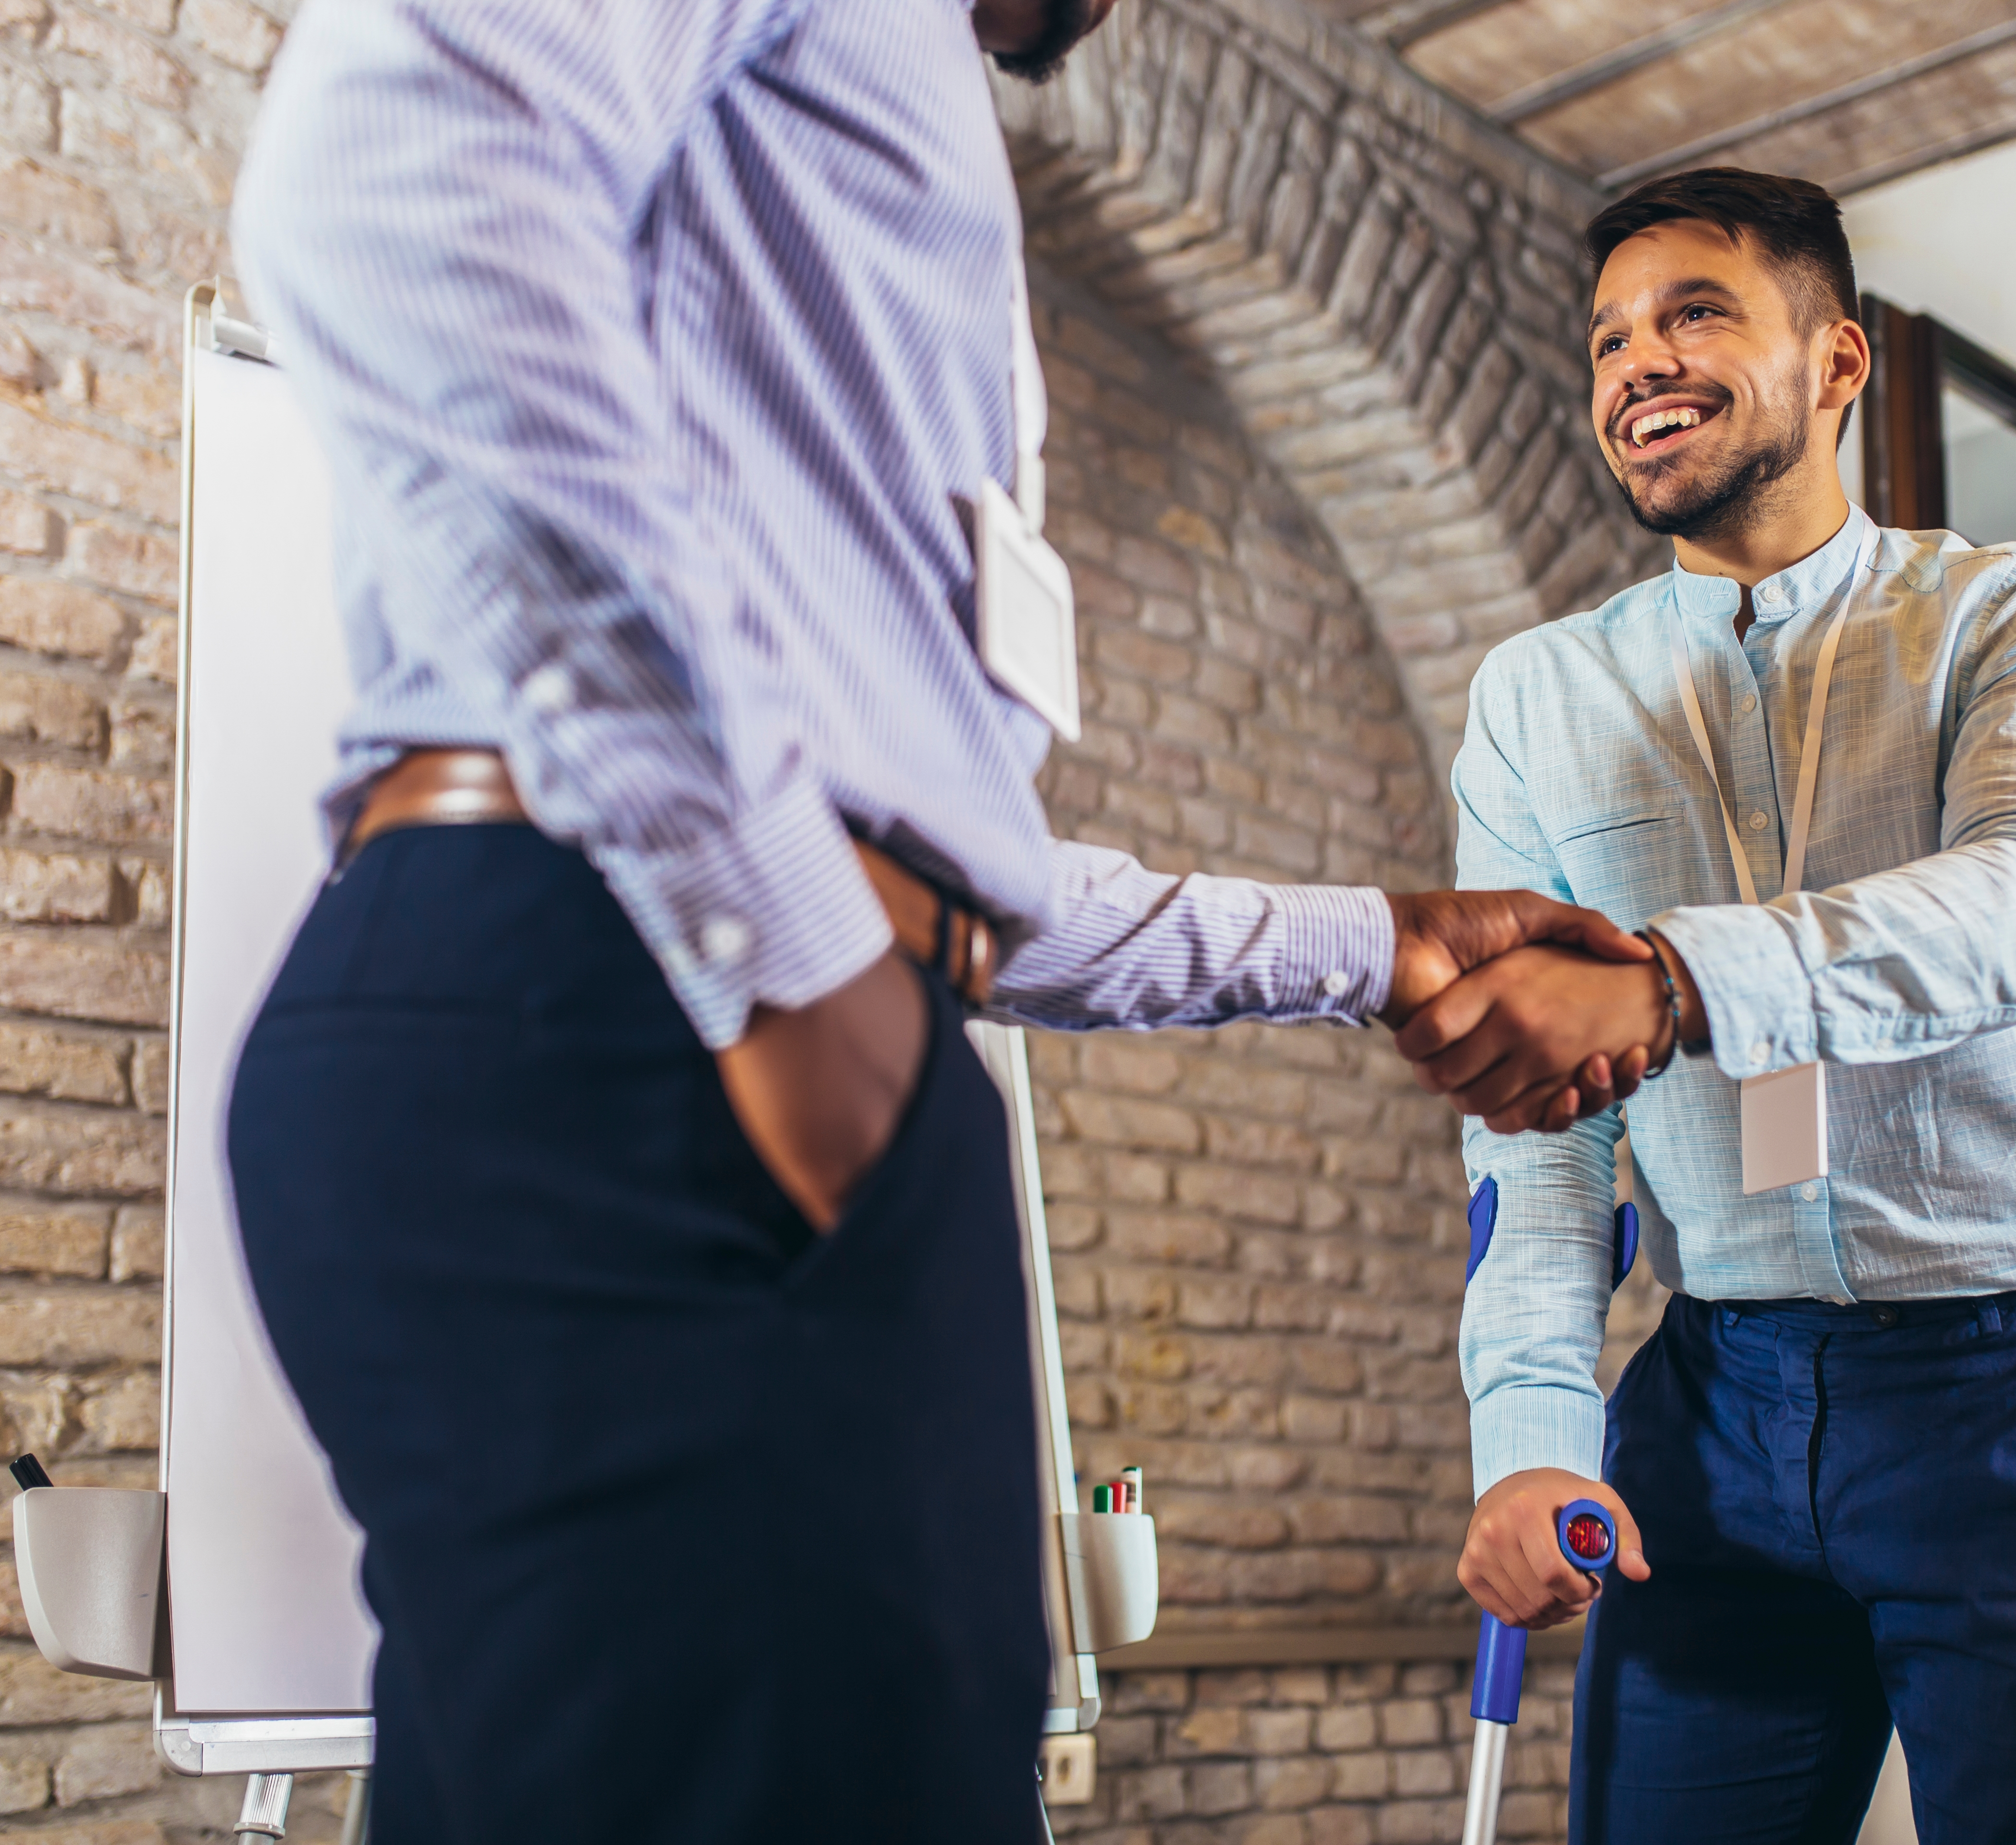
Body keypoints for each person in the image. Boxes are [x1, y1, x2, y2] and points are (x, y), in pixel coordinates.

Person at [219, 2, 1650, 1841]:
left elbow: (930, 842)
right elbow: (395, 190)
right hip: (651, 1010)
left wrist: (1382, 941)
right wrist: (794, 957)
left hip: (627, 991)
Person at [1394, 169, 2016, 1844]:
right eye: (1610, 337)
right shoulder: (1539, 701)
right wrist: (1537, 1434)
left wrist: (1678, 977)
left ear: (1838, 361)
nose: (1641, 361)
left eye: (1699, 312)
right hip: (1719, 1411)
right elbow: (1544, 1140)